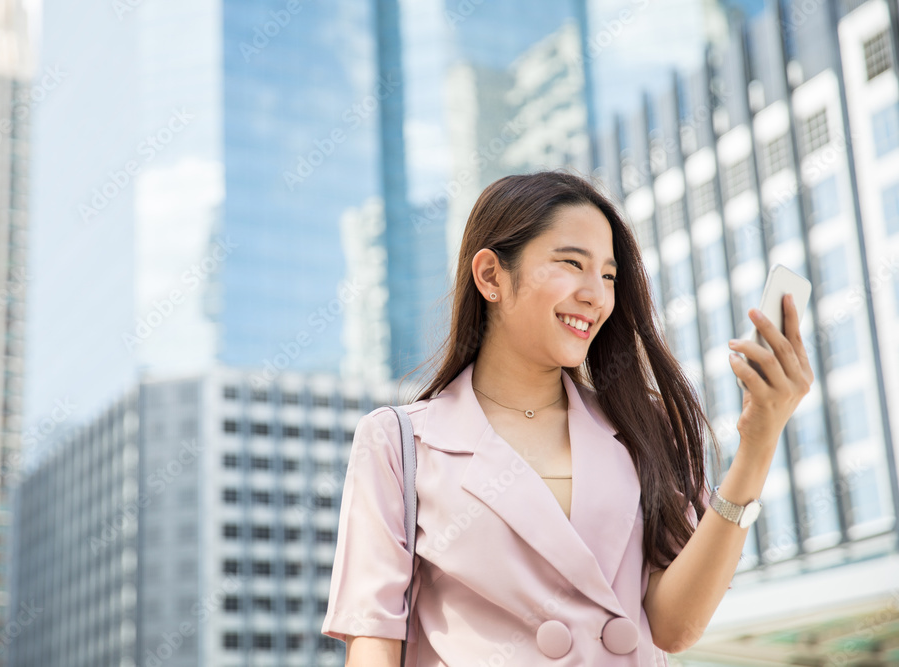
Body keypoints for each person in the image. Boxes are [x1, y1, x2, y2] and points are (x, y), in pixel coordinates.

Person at [320, 171, 813, 665]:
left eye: (608, 276)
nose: (596, 295)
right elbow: (372, 642)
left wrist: (758, 444)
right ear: (491, 275)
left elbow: (675, 626)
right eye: (572, 264)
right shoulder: (398, 442)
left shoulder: (640, 426)